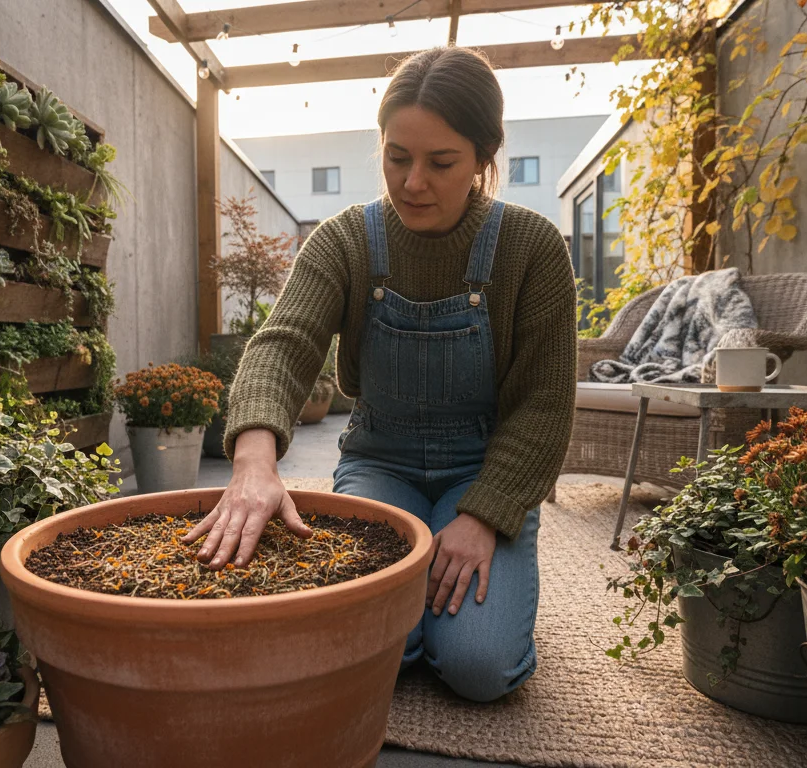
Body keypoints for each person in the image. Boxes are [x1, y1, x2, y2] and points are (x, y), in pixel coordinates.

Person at [183, 46, 577, 703]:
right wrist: (253, 461)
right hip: (379, 465)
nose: (412, 182)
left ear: (484, 156)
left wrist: (486, 516)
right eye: (398, 157)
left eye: (440, 162)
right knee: (373, 648)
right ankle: (421, 607)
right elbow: (282, 345)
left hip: (482, 472)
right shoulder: (344, 240)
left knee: (479, 668)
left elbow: (543, 406)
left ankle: (470, 602)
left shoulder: (531, 248)